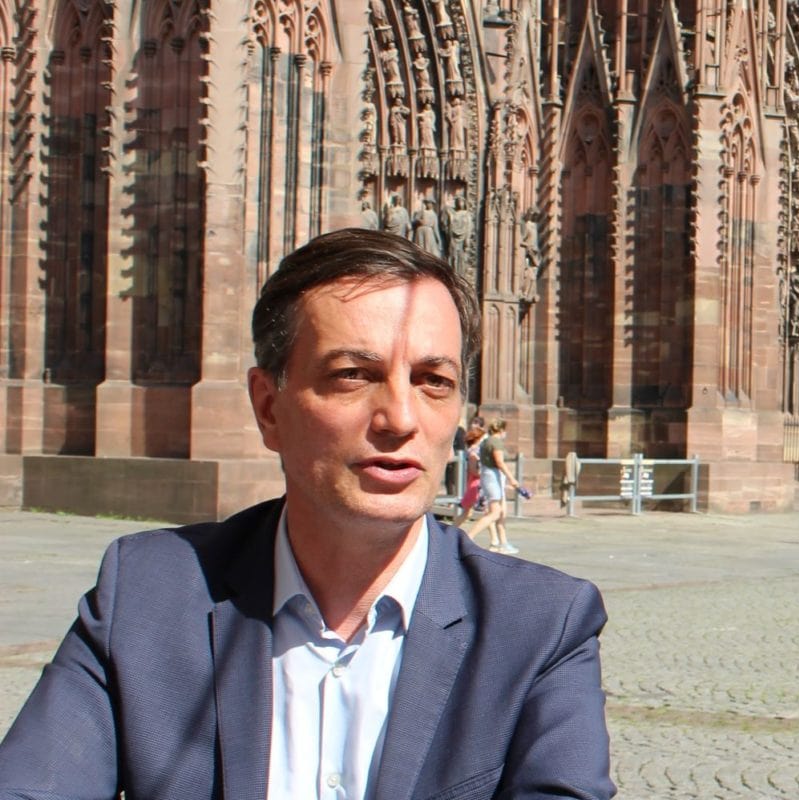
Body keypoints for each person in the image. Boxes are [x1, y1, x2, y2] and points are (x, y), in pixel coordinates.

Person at [0, 228, 614, 796]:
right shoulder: (148, 594)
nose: (401, 419)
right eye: (353, 375)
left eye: (433, 380)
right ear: (269, 408)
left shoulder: (540, 626)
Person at [461, 418, 524, 553]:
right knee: (495, 513)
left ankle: (502, 543)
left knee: (500, 512)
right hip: (493, 477)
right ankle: (469, 537)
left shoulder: (486, 441)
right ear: (501, 430)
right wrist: (512, 479)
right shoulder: (495, 442)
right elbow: (500, 462)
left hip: (489, 476)